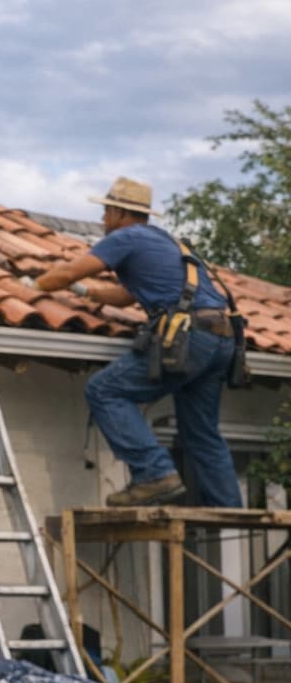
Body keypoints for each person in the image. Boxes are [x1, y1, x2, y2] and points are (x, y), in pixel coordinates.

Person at [25, 176, 242, 507]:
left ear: (118, 212)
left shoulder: (126, 237)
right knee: (201, 432)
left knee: (105, 390)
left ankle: (154, 474)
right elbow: (126, 297)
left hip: (190, 338)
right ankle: (229, 507)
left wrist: (33, 287)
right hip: (222, 341)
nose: (102, 220)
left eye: (106, 212)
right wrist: (87, 295)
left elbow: (68, 272)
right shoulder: (167, 244)